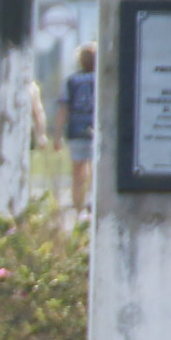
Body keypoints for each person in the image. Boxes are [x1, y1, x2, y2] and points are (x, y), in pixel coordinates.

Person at [56, 44, 96, 215]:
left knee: (77, 172)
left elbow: (63, 109)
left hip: (76, 130)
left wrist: (57, 135)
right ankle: (92, 204)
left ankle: (78, 207)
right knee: (96, 171)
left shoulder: (71, 81)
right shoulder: (102, 79)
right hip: (96, 131)